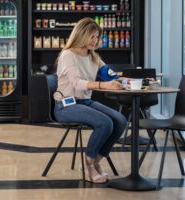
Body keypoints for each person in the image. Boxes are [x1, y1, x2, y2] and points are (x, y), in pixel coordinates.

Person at [53, 18, 127, 183]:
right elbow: (77, 84)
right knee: (105, 123)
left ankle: (96, 161)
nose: (95, 41)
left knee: (120, 121)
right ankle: (88, 165)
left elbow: (111, 75)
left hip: (85, 102)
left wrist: (134, 80)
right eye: (92, 37)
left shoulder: (94, 57)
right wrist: (104, 85)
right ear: (81, 35)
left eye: (97, 37)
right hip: (66, 105)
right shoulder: (68, 55)